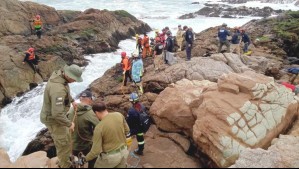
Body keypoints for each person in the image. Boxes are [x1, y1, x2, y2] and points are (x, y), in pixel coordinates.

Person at [40, 64, 83, 168]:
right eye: (75, 79)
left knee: (65, 141)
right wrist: (69, 123)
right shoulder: (58, 90)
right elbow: (57, 114)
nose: (75, 81)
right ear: (68, 76)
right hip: (54, 120)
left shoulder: (59, 76)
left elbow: (65, 90)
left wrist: (72, 100)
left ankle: (64, 159)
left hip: (55, 116)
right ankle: (65, 165)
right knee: (63, 145)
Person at [83, 102, 130, 168]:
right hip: (124, 152)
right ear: (105, 109)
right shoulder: (119, 115)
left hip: (110, 158)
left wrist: (84, 159)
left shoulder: (99, 127)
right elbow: (127, 130)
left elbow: (95, 152)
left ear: (96, 112)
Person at [68, 91, 99, 168]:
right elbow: (98, 127)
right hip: (86, 144)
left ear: (80, 99)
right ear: (90, 99)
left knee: (74, 162)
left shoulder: (70, 110)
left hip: (73, 144)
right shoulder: (90, 113)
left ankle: (79, 164)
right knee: (93, 159)